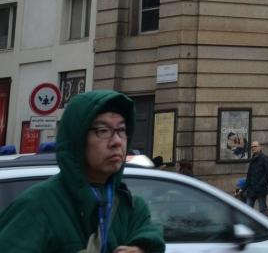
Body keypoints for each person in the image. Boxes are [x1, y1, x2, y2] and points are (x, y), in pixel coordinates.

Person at [0, 89, 165, 253]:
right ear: (77, 140)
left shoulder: (132, 208)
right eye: (102, 131)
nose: (117, 141)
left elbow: (152, 237)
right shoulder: (38, 205)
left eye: (121, 130)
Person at [245, 140, 268, 212]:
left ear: (260, 147)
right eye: (252, 147)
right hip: (251, 189)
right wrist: (244, 188)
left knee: (262, 210)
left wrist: (260, 184)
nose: (253, 148)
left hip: (261, 190)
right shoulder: (252, 159)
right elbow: (249, 175)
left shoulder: (265, 158)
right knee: (247, 211)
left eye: (255, 146)